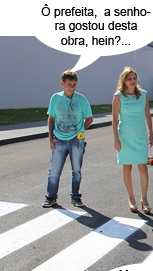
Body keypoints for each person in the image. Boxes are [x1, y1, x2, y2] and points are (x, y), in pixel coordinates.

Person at [43, 70, 93, 209]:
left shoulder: (81, 99)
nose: (72, 87)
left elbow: (89, 119)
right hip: (59, 140)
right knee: (54, 171)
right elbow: (51, 118)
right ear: (62, 83)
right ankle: (51, 197)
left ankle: (75, 197)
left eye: (74, 84)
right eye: (69, 84)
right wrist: (50, 138)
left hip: (77, 141)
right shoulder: (55, 98)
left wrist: (80, 130)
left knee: (76, 171)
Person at [112, 67, 153, 214]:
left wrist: (151, 133)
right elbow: (114, 119)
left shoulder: (143, 95)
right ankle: (131, 198)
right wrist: (116, 139)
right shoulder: (118, 96)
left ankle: (144, 199)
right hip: (125, 137)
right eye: (129, 78)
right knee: (127, 168)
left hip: (140, 136)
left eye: (134, 78)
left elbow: (147, 114)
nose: (132, 81)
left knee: (143, 168)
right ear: (124, 80)